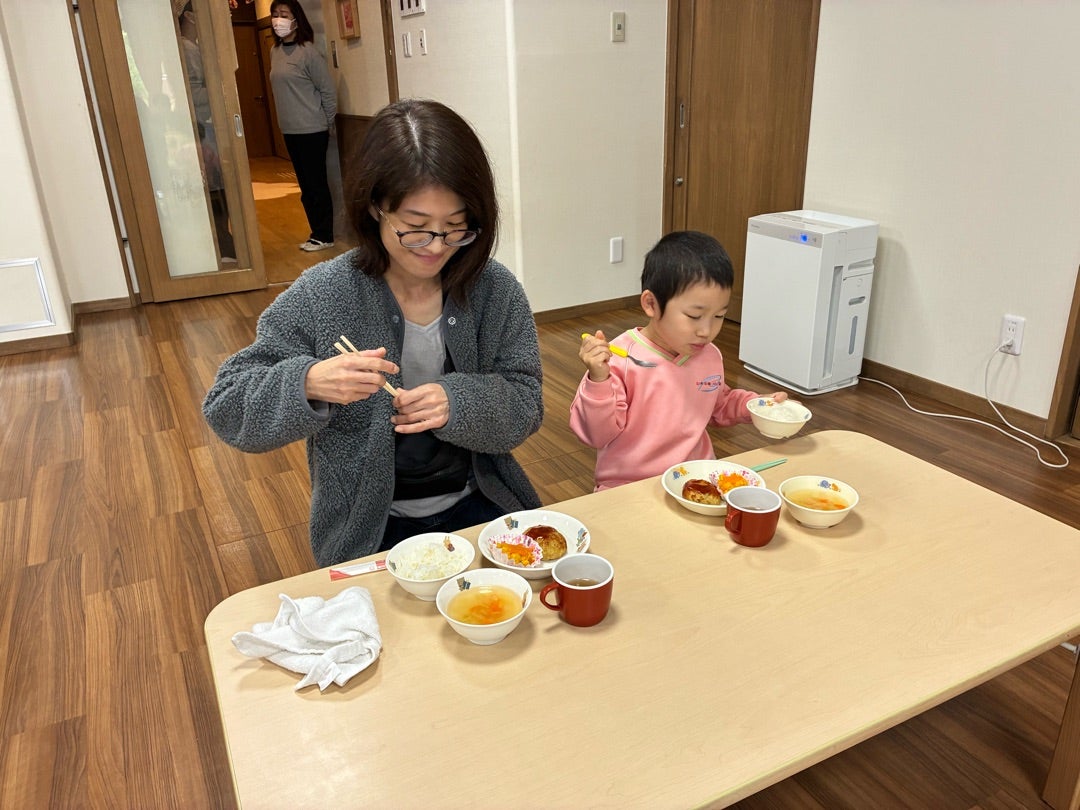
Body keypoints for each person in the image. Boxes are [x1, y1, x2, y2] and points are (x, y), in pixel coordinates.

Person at [202, 98, 544, 567]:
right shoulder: (325, 293)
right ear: (376, 208)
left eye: (457, 229)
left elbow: (526, 404)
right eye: (416, 228)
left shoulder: (494, 290)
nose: (436, 248)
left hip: (481, 511)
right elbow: (227, 406)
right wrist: (308, 383)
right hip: (369, 529)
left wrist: (459, 402)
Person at [569, 230, 788, 491]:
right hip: (628, 485)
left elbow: (718, 405)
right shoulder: (619, 359)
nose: (706, 331)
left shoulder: (709, 355)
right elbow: (596, 435)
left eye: (718, 316)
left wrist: (756, 406)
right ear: (651, 304)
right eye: (694, 316)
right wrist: (598, 380)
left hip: (694, 479)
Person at [268, 0, 337, 252]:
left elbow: (328, 91)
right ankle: (315, 232)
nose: (278, 19)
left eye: (283, 14)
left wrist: (327, 122)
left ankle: (324, 234)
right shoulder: (274, 52)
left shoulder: (308, 52)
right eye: (274, 14)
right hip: (290, 129)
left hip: (312, 129)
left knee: (316, 183)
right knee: (305, 186)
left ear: (296, 18)